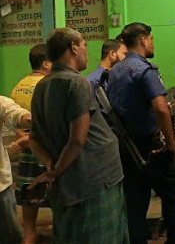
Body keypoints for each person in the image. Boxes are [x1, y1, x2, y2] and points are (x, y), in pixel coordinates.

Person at [28, 28, 128, 243]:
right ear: (73, 47)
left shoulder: (41, 86)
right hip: (94, 183)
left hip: (68, 187)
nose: (87, 53)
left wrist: (51, 166)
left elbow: (33, 139)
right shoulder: (76, 83)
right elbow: (77, 140)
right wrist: (54, 173)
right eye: (84, 45)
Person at [108, 23, 175, 244]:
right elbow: (162, 108)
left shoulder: (115, 71)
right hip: (152, 149)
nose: (152, 43)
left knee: (135, 205)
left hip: (126, 148)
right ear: (143, 40)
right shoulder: (145, 70)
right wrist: (171, 145)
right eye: (151, 38)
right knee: (174, 197)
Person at [8, 44, 51, 244]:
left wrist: (23, 138)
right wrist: (33, 139)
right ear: (46, 63)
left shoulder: (19, 85)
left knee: (28, 200)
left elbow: (13, 120)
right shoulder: (49, 84)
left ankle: (29, 236)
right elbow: (50, 122)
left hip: (26, 152)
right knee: (56, 198)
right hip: (46, 151)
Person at [0, 97, 31, 244]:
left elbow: (17, 115)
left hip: (0, 187)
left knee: (10, 235)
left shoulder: (1, 103)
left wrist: (32, 119)